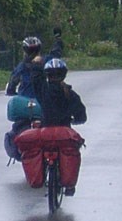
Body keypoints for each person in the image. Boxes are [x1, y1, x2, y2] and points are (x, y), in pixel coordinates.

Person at [35, 57, 87, 195]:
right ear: (64, 75)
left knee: (38, 149)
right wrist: (76, 120)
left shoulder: (43, 92)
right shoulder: (70, 94)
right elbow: (82, 115)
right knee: (71, 151)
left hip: (45, 133)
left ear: (47, 75)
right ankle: (69, 185)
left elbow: (35, 81)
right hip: (65, 134)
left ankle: (42, 172)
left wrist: (35, 65)